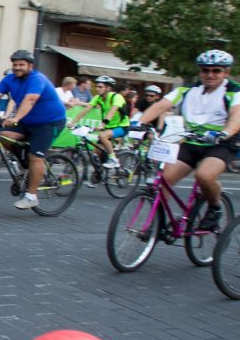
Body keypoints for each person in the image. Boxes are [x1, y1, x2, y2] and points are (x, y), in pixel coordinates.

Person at [138, 50, 240, 230]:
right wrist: (139, 123)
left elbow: (236, 116)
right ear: (200, 71)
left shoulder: (234, 92)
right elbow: (161, 105)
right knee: (164, 180)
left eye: (216, 70)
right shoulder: (187, 90)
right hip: (192, 140)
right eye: (205, 70)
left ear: (226, 72)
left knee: (204, 175)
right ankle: (156, 225)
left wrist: (224, 133)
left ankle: (215, 208)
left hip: (221, 142)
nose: (210, 75)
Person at [0, 49, 66, 210]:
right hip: (28, 120)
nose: (17, 67)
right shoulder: (10, 79)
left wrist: (15, 118)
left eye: (21, 65)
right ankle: (24, 164)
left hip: (49, 122)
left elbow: (30, 100)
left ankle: (31, 196)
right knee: (3, 136)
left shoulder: (37, 79)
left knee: (35, 157)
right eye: (15, 65)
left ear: (30, 66)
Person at [66, 76, 130, 169]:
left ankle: (113, 159)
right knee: (96, 153)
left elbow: (112, 111)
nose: (97, 89)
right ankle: (99, 174)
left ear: (108, 88)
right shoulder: (98, 98)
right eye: (97, 86)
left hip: (122, 126)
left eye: (100, 87)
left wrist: (103, 124)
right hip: (108, 126)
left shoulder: (117, 97)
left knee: (102, 136)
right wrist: (73, 122)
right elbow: (85, 110)